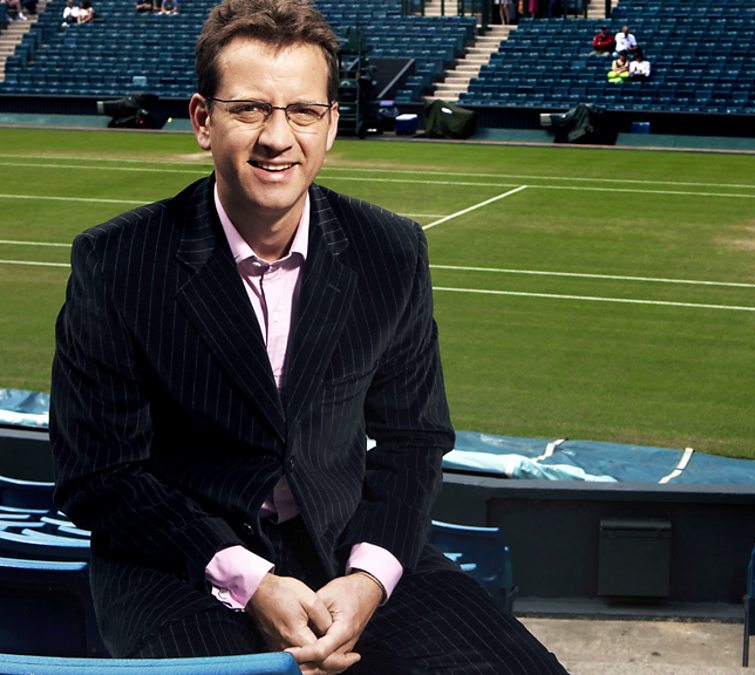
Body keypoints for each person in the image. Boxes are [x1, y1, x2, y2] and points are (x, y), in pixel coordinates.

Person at [48, 0, 568, 672]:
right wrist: (249, 580)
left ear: (331, 124)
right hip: (178, 559)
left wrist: (369, 577)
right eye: (249, 109)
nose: (278, 137)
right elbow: (99, 474)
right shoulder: (117, 261)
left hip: (344, 547)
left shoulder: (391, 249)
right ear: (203, 120)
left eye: (303, 111)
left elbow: (414, 440)